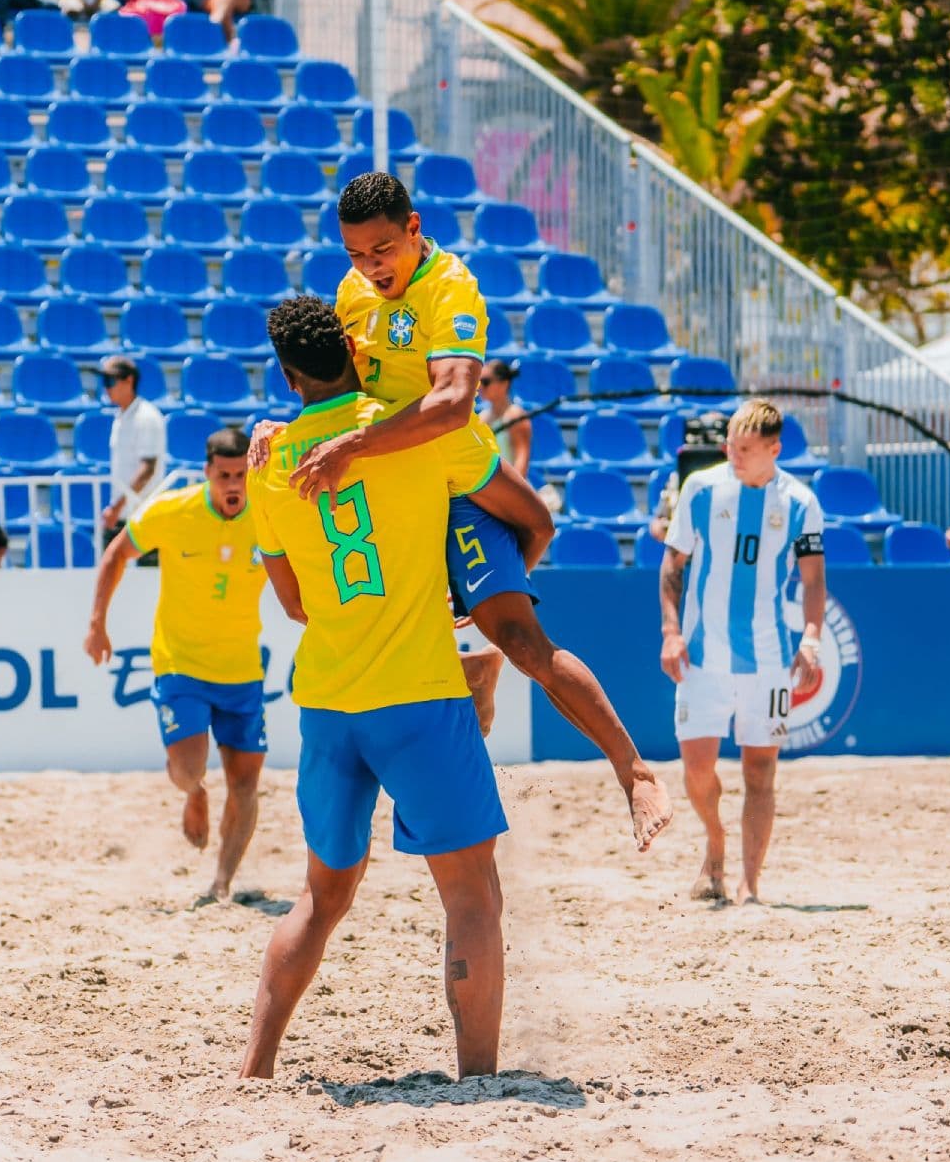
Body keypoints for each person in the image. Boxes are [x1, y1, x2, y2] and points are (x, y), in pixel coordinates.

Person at [260, 171, 672, 852]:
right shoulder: (351, 291)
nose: (370, 267)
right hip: (388, 475)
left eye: (383, 249)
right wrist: (281, 427)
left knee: (522, 635)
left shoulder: (451, 288)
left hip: (447, 468)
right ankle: (472, 666)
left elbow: (452, 406)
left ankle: (633, 772)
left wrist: (354, 442)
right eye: (356, 254)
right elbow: (336, 387)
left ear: (415, 227)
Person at [238, 296, 564, 1082]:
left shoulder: (272, 464)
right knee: (471, 897)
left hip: (326, 696)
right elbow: (533, 518)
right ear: (355, 345)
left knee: (319, 900)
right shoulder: (421, 433)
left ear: (287, 377)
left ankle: (255, 1068)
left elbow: (292, 603)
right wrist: (472, 586)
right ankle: (477, 1079)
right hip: (416, 692)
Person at [84, 429, 268, 904]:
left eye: (241, 476)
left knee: (246, 782)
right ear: (207, 473)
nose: (233, 485)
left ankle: (223, 882)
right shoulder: (172, 511)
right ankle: (193, 793)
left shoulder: (270, 513)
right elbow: (115, 555)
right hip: (181, 663)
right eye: (224, 475)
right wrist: (97, 623)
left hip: (243, 667)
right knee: (188, 769)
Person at [658, 400, 827, 906]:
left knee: (760, 772)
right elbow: (673, 566)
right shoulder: (702, 488)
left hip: (769, 660)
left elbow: (814, 580)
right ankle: (715, 841)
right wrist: (671, 631)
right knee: (697, 770)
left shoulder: (800, 501)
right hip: (703, 656)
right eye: (729, 445)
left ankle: (750, 884)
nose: (733, 454)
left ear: (774, 449)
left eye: (745, 448)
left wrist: (812, 637)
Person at [100, 354, 165, 539]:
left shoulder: (146, 416)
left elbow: (147, 469)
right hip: (124, 514)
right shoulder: (121, 416)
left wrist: (116, 507)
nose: (106, 387)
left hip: (142, 516)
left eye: (110, 380)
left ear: (129, 380)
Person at [477, 358, 531, 478]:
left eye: (485, 382)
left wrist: (514, 493)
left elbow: (521, 459)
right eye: (478, 382)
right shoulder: (483, 417)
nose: (480, 387)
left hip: (510, 489)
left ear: (504, 383)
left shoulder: (515, 415)